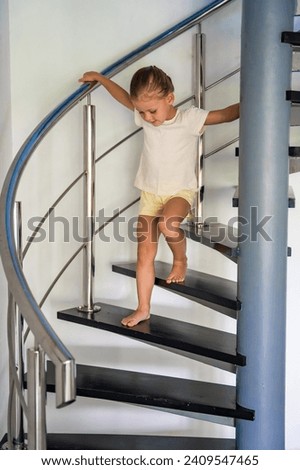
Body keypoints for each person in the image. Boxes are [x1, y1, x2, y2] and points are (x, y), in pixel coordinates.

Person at [79, 66, 239, 327]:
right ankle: (143, 308)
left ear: (170, 99)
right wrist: (101, 79)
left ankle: (180, 259)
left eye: (152, 111)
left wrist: (255, 100)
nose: (147, 117)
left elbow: (225, 115)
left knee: (168, 223)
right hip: (149, 194)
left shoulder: (189, 118)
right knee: (144, 254)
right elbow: (123, 97)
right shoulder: (144, 115)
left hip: (180, 192)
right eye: (141, 112)